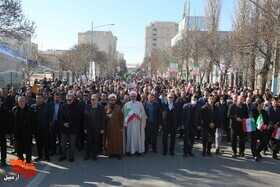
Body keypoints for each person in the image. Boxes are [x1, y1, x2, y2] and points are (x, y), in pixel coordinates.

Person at [123, 91, 147, 155]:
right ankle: (129, 150)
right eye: (132, 96)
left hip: (137, 122)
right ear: (130, 97)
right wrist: (125, 124)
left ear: (136, 97)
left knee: (137, 136)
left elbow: (143, 113)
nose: (133, 97)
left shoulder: (140, 104)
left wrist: (138, 115)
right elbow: (125, 114)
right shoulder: (126, 104)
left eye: (134, 96)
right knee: (129, 136)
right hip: (129, 123)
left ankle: (138, 150)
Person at [12, 96, 34, 164]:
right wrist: (12, 131)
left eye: (22, 101)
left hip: (27, 131)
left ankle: (28, 160)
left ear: (25, 101)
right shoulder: (14, 109)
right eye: (19, 101)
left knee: (28, 147)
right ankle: (20, 158)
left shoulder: (30, 110)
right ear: (17, 102)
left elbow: (33, 121)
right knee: (19, 147)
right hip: (18, 131)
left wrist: (32, 131)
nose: (21, 103)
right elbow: (12, 121)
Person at [59, 94, 81, 162]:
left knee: (72, 144)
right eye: (67, 100)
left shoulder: (77, 107)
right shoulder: (63, 106)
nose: (68, 101)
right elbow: (60, 116)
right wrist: (63, 123)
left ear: (73, 99)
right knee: (63, 143)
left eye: (69, 100)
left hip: (73, 128)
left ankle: (71, 156)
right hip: (64, 128)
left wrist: (69, 123)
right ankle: (63, 155)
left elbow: (77, 118)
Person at [84, 94, 106, 161]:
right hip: (89, 128)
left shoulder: (101, 108)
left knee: (96, 143)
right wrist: (85, 128)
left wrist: (102, 128)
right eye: (91, 99)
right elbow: (85, 119)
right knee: (88, 143)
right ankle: (87, 155)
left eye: (93, 99)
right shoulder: (88, 107)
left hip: (97, 129)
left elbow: (103, 119)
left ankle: (94, 155)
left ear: (97, 100)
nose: (92, 101)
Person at [32, 93, 52, 162]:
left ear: (43, 99)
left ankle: (47, 156)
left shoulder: (47, 106)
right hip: (36, 129)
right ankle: (39, 156)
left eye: (40, 98)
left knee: (46, 143)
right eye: (37, 98)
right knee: (38, 143)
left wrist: (47, 124)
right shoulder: (33, 107)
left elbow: (50, 117)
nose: (38, 99)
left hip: (45, 129)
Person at [104, 94, 123, 159]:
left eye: (114, 100)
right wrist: (107, 116)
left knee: (117, 140)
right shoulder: (106, 107)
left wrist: (121, 127)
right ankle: (110, 152)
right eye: (111, 100)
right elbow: (103, 117)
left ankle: (118, 153)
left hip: (117, 127)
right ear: (109, 100)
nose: (112, 101)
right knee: (109, 140)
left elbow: (121, 117)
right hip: (108, 127)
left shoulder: (118, 107)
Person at [0, 96, 9, 166]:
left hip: (3, 132)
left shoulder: (5, 110)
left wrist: (7, 133)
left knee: (3, 147)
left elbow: (7, 123)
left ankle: (3, 160)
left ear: (2, 102)